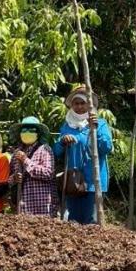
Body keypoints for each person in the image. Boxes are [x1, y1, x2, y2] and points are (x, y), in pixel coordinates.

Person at [53, 86, 113, 225]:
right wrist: (63, 141)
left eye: (83, 103)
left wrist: (95, 129)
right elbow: (56, 151)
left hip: (93, 182)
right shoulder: (67, 126)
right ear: (72, 105)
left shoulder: (101, 124)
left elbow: (106, 148)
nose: (79, 107)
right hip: (73, 182)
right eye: (76, 103)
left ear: (89, 104)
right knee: (73, 222)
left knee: (91, 223)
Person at [10, 116, 56, 217]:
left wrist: (26, 160)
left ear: (38, 133)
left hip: (42, 206)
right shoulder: (16, 153)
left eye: (32, 130)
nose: (27, 132)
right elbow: (9, 179)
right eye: (24, 130)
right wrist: (14, 178)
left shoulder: (45, 150)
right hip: (23, 205)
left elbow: (48, 173)